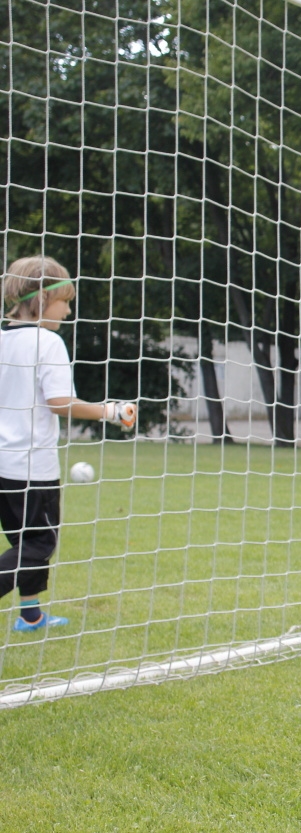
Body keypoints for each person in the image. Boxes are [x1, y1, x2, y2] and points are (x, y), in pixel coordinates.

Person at [1, 256, 137, 633]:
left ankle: (30, 616)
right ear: (43, 299)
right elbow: (59, 403)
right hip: (32, 469)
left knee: (24, 542)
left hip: (3, 467)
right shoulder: (48, 342)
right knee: (38, 545)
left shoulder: (3, 339)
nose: (69, 311)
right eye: (65, 301)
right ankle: (29, 615)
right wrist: (111, 411)